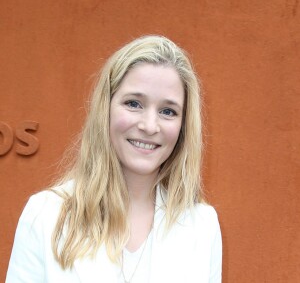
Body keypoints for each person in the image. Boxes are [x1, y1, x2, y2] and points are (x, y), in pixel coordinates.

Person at [6, 35, 222, 283]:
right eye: (133, 103)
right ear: (105, 109)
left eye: (167, 111)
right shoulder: (45, 215)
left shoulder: (202, 225)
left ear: (184, 125)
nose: (150, 126)